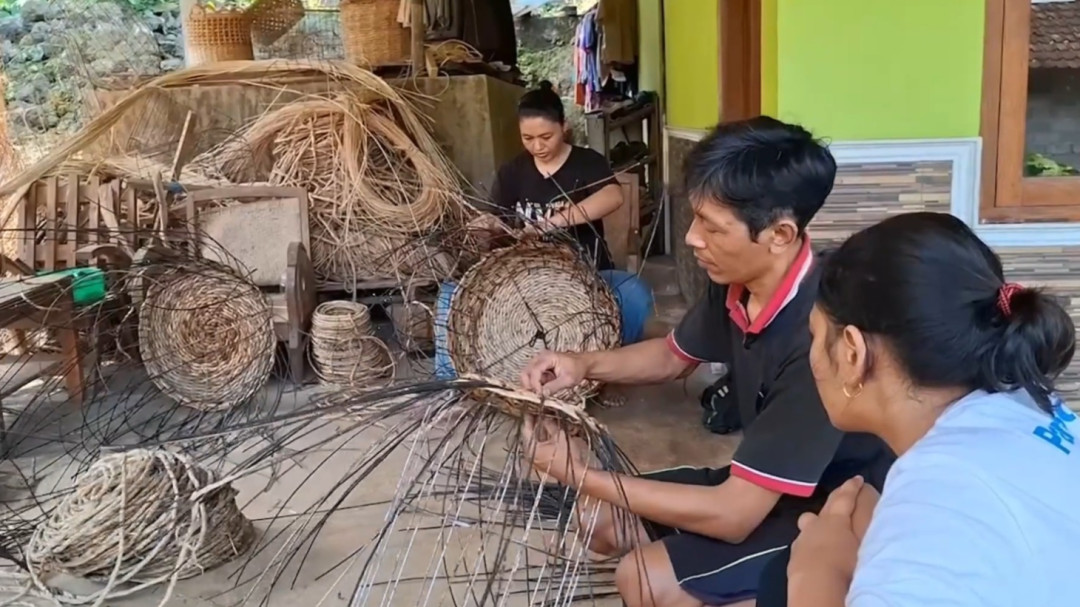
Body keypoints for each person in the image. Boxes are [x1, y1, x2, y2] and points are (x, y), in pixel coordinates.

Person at [517, 116, 895, 607]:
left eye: (712, 227)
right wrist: (582, 365)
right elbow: (673, 355)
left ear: (779, 234)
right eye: (695, 218)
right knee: (599, 516)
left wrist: (578, 471)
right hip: (761, 485)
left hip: (832, 509)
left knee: (645, 580)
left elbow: (734, 514)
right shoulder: (740, 283)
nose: (694, 238)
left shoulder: (822, 341)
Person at [757, 212, 1080, 607]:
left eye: (815, 335)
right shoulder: (1025, 403)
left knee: (781, 579)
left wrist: (817, 570)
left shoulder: (942, 492)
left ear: (853, 353)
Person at [432, 81, 654, 379]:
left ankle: (609, 375)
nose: (537, 146)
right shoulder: (512, 171)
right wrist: (488, 227)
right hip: (526, 280)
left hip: (586, 274)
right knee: (450, 295)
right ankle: (455, 383)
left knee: (634, 293)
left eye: (546, 136)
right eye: (528, 138)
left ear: (564, 127)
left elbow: (613, 196)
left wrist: (551, 223)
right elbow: (497, 218)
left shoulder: (587, 162)